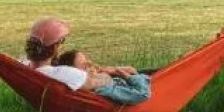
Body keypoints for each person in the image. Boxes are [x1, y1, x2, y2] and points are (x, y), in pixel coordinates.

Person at [22, 17, 152, 104]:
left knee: (148, 72)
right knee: (151, 73)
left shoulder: (25, 67)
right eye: (61, 41)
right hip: (134, 88)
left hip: (124, 83)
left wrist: (105, 70)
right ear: (55, 46)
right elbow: (141, 94)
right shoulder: (68, 74)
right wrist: (118, 71)